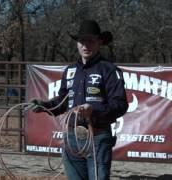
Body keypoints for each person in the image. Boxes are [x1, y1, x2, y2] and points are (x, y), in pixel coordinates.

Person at [31, 19, 128, 180]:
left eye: (90, 41)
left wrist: (94, 111)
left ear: (99, 42)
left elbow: (120, 104)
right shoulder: (70, 71)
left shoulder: (109, 70)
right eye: (82, 41)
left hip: (97, 137)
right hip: (71, 138)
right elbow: (62, 103)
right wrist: (43, 105)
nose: (85, 46)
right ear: (77, 44)